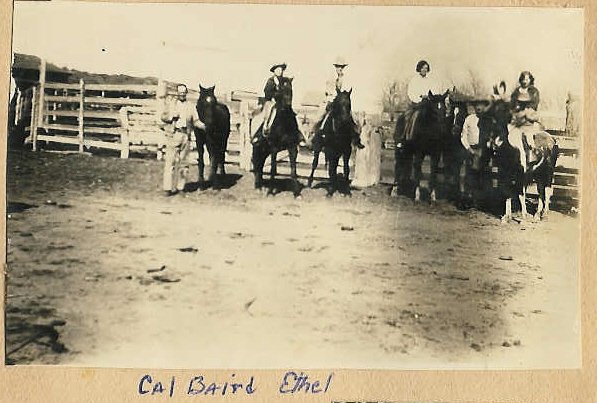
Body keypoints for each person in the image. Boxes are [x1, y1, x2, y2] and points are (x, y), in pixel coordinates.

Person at [160, 83, 205, 195]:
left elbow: (196, 121)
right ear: (177, 93)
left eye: (184, 92)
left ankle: (181, 188)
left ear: (186, 93)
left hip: (186, 136)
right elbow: (163, 117)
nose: (182, 94)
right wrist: (171, 117)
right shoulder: (171, 104)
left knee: (184, 164)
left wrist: (206, 126)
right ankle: (167, 189)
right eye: (180, 92)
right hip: (174, 135)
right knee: (170, 162)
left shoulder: (190, 106)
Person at [312, 57, 365, 149]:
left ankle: (356, 139)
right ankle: (314, 135)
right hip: (331, 101)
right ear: (335, 67)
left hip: (341, 103)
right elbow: (328, 90)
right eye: (338, 67)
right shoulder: (331, 78)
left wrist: (343, 97)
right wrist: (332, 96)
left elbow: (347, 91)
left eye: (342, 67)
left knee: (354, 119)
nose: (340, 69)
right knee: (320, 116)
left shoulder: (345, 78)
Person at [251, 63, 306, 146]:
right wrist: (276, 94)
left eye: (281, 69)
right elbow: (267, 93)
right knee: (268, 114)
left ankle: (300, 135)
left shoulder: (285, 81)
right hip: (272, 102)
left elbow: (289, 92)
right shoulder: (271, 81)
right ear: (274, 71)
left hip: (284, 104)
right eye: (278, 69)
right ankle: (261, 132)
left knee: (294, 116)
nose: (280, 71)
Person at [398, 60, 444, 144]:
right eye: (423, 68)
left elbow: (434, 91)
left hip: (429, 103)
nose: (424, 70)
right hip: (417, 103)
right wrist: (420, 97)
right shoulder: (414, 80)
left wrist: (431, 97)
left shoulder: (431, 80)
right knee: (409, 116)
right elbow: (411, 93)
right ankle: (405, 136)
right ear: (419, 69)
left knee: (438, 115)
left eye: (426, 68)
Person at [460, 99, 492, 200]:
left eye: (481, 105)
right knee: (470, 173)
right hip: (471, 149)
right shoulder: (469, 119)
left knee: (483, 173)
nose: (478, 108)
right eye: (477, 105)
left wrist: (487, 146)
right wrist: (469, 149)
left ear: (484, 107)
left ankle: (481, 199)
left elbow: (491, 136)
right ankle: (468, 197)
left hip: (484, 150)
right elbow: (463, 136)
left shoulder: (488, 120)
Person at [508, 70, 542, 150]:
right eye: (523, 79)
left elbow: (534, 105)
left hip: (528, 120)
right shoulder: (516, 91)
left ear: (530, 80)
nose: (525, 81)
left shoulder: (534, 91)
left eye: (527, 79)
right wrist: (514, 112)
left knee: (528, 138)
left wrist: (525, 112)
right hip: (516, 119)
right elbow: (512, 104)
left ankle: (531, 155)